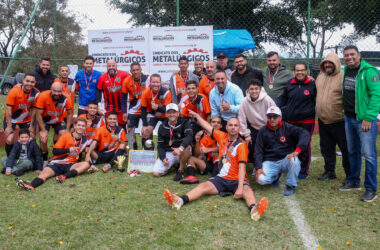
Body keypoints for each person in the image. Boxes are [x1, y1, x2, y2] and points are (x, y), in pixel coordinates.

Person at [164, 111, 268, 221]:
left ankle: (254, 209)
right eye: (230, 125)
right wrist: (197, 116)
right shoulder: (222, 136)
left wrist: (240, 188)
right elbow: (207, 126)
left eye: (236, 125)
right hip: (221, 179)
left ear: (239, 128)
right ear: (226, 127)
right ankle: (180, 200)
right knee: (203, 186)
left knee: (247, 190)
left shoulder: (241, 145)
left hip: (237, 180)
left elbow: (242, 168)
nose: (233, 127)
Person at [339, 45, 380, 202]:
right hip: (349, 118)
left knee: (369, 155)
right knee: (353, 151)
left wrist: (368, 117)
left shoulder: (369, 71)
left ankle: (371, 188)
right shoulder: (346, 71)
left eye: (352, 54)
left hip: (364, 120)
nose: (349, 57)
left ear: (359, 55)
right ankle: (354, 181)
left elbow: (376, 95)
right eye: (346, 55)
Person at [15, 118, 91, 191]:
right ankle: (31, 185)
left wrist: (88, 154)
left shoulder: (84, 140)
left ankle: (63, 176)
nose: (80, 127)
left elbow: (86, 149)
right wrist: (68, 150)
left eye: (83, 126)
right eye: (79, 125)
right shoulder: (66, 136)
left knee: (86, 164)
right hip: (56, 163)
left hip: (70, 165)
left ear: (85, 128)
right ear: (74, 126)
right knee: (44, 174)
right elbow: (55, 151)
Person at [255, 106, 309, 196]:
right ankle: (275, 177)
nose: (272, 119)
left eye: (275, 117)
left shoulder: (288, 127)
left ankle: (291, 185)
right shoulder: (262, 131)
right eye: (269, 117)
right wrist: (258, 167)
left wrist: (298, 150)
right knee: (261, 180)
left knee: (294, 160)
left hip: (285, 159)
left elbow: (305, 133)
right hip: (270, 161)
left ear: (280, 117)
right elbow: (258, 151)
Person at [315, 53, 350, 181]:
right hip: (323, 120)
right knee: (327, 148)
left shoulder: (343, 76)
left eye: (331, 63)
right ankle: (329, 171)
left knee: (345, 149)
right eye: (326, 63)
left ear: (336, 63)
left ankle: (350, 175)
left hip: (339, 121)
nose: (328, 65)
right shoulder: (321, 76)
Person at [279, 62, 316, 180]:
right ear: (294, 71)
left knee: (304, 145)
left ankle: (304, 171)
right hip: (290, 122)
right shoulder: (289, 84)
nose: (300, 72)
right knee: (291, 145)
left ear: (306, 71)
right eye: (297, 70)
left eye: (302, 70)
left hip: (306, 122)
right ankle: (292, 166)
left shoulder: (312, 84)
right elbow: (282, 101)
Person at [35, 82, 73, 167]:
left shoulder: (66, 97)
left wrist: (67, 129)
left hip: (58, 120)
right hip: (45, 120)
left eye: (59, 91)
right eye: (55, 91)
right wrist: (43, 130)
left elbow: (70, 113)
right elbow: (38, 114)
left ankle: (57, 155)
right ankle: (44, 159)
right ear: (51, 90)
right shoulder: (43, 96)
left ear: (62, 91)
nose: (57, 93)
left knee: (64, 135)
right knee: (43, 139)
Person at [238, 79, 276, 164]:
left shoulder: (267, 99)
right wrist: (246, 135)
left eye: (256, 88)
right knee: (252, 146)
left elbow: (275, 113)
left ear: (260, 89)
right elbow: (241, 118)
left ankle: (269, 164)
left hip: (267, 127)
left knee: (268, 147)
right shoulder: (244, 101)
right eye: (251, 89)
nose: (254, 91)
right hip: (254, 128)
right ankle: (256, 165)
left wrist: (273, 128)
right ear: (248, 90)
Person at [152, 103, 193, 181]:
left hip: (182, 151)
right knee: (156, 173)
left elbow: (189, 136)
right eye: (169, 112)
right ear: (166, 114)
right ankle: (172, 165)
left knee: (187, 147)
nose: (172, 115)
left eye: (174, 112)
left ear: (178, 114)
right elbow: (160, 146)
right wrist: (163, 158)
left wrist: (180, 148)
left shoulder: (185, 122)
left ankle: (180, 170)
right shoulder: (162, 127)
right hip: (170, 152)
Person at [3, 73, 39, 156]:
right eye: (27, 81)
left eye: (32, 82)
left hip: (25, 119)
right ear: (23, 80)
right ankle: (11, 157)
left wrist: (32, 125)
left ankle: (30, 156)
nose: (29, 84)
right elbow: (8, 109)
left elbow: (34, 110)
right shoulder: (14, 91)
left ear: (35, 83)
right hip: (11, 118)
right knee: (9, 138)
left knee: (32, 137)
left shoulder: (36, 93)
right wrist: (9, 126)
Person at [181, 115, 222, 184]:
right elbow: (197, 154)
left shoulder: (225, 136)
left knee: (220, 156)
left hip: (222, 165)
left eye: (218, 122)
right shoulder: (206, 138)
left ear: (221, 126)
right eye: (214, 122)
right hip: (209, 164)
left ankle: (214, 177)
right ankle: (191, 177)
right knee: (191, 158)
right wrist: (197, 141)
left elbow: (223, 149)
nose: (216, 124)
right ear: (210, 124)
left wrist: (209, 150)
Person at [121, 62, 150, 149]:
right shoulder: (126, 81)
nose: (136, 72)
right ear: (130, 71)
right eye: (133, 70)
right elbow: (123, 98)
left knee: (146, 130)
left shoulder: (147, 78)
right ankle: (135, 149)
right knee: (130, 130)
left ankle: (147, 149)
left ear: (141, 70)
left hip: (146, 109)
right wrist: (124, 112)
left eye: (137, 70)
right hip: (133, 109)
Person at [140, 74, 172, 150]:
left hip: (165, 115)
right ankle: (149, 151)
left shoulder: (166, 92)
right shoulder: (145, 92)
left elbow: (168, 109)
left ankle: (168, 150)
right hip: (152, 115)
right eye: (153, 82)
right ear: (150, 82)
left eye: (157, 82)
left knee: (168, 133)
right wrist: (144, 125)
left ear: (161, 82)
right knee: (146, 132)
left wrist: (158, 107)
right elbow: (143, 110)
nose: (155, 84)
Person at [97, 59, 130, 128]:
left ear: (116, 66)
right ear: (106, 67)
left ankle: (123, 139)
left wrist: (143, 75)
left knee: (122, 127)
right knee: (109, 127)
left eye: (113, 65)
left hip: (121, 108)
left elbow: (133, 78)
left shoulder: (124, 74)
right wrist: (99, 105)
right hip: (109, 107)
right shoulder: (102, 77)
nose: (111, 67)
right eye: (109, 66)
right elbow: (99, 91)